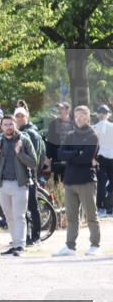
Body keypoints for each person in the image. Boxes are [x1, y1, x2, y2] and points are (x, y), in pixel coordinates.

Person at [53, 105, 101, 256]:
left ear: (87, 117)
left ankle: (95, 244)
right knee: (71, 217)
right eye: (76, 115)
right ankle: (70, 246)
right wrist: (76, 152)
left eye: (82, 115)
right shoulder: (69, 135)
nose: (79, 118)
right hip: (70, 180)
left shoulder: (92, 135)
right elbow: (60, 154)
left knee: (91, 215)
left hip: (86, 180)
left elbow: (86, 158)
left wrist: (71, 155)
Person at [0, 115, 38, 257]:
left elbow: (34, 163)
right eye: (5, 124)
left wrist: (20, 153)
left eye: (11, 124)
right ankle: (14, 244)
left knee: (19, 216)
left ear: (15, 125)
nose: (8, 127)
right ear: (2, 127)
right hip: (3, 184)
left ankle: (20, 246)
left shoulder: (24, 140)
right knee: (9, 216)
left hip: (20, 183)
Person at [14, 106, 45, 245]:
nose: (20, 118)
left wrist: (33, 173)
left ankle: (36, 236)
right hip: (19, 174)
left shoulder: (31, 133)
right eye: (17, 116)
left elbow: (35, 157)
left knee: (32, 205)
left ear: (27, 117)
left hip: (29, 174)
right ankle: (25, 237)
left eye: (22, 116)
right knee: (22, 207)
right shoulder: (18, 132)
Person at [45, 102, 74, 183]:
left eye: (61, 108)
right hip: (57, 158)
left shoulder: (75, 124)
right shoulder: (53, 124)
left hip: (71, 159)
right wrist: (48, 158)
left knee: (70, 184)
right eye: (58, 108)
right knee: (57, 183)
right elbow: (50, 142)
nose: (59, 110)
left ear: (68, 110)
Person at [93, 105, 113, 216]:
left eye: (104, 112)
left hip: (109, 157)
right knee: (101, 183)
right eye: (101, 112)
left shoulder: (95, 127)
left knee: (103, 184)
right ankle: (101, 207)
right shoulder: (95, 127)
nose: (102, 114)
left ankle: (105, 206)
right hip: (100, 157)